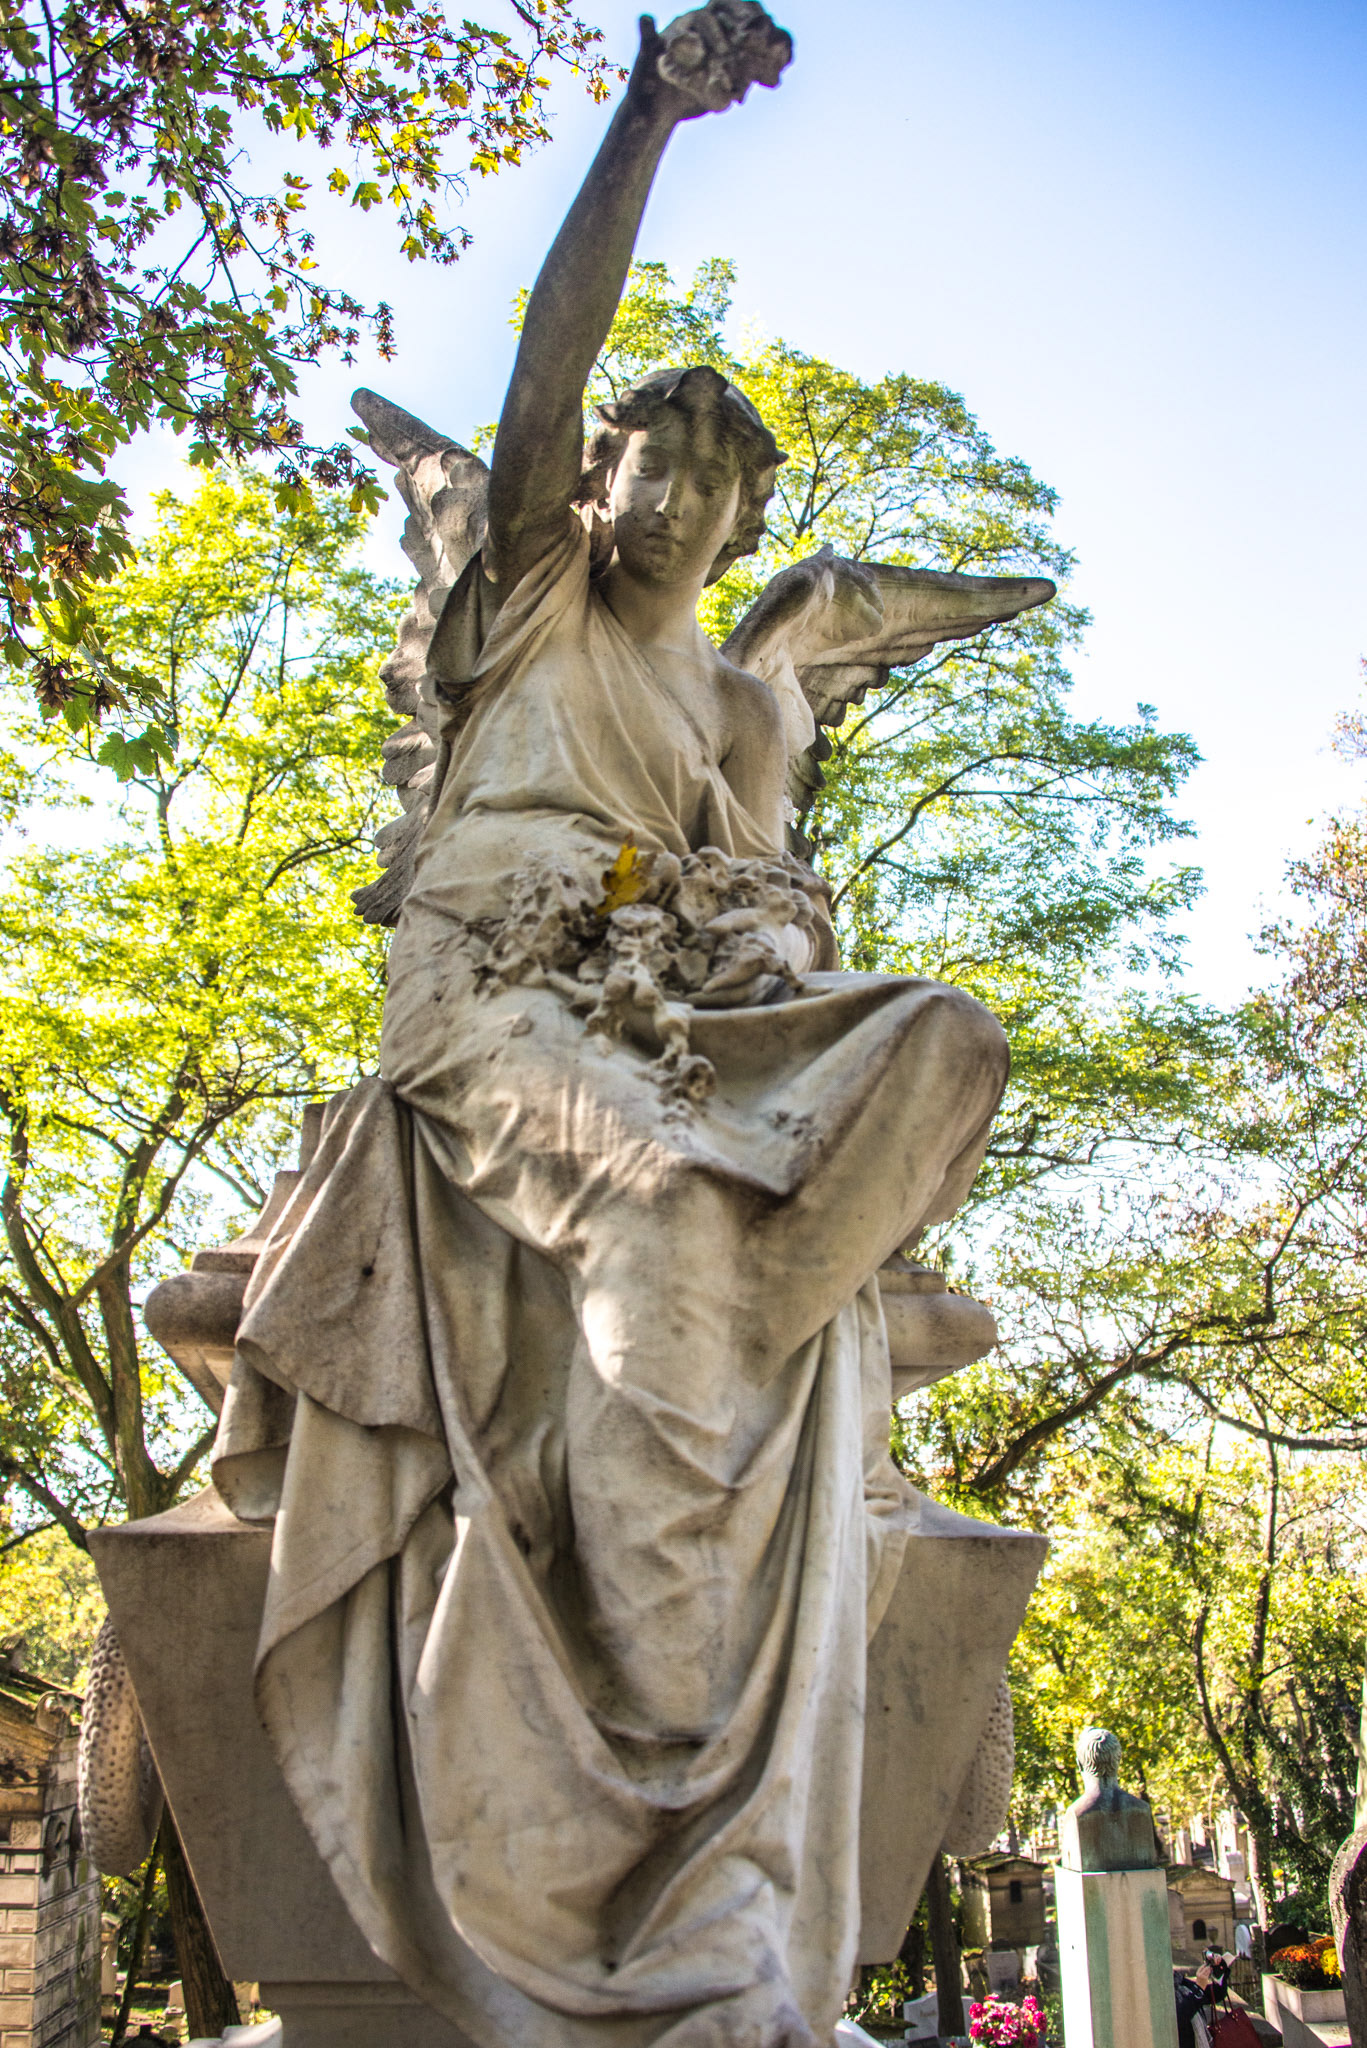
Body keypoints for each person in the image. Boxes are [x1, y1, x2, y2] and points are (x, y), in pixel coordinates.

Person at [211, 9, 1011, 2048]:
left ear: (742, 532)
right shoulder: (536, 595)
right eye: (650, 468)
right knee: (659, 1210)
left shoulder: (717, 709)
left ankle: (733, 1335)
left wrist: (752, 921)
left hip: (663, 996)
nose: (672, 509)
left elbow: (761, 891)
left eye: (715, 495)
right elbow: (545, 356)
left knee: (945, 1048)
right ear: (600, 475)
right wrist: (647, 118)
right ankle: (663, 1731)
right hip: (490, 991)